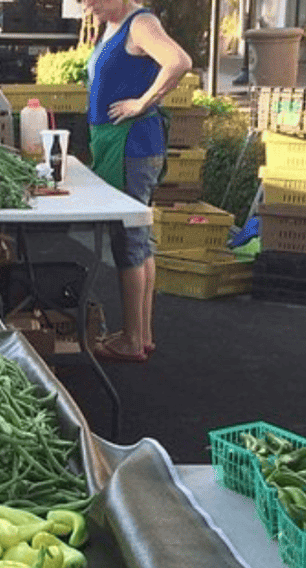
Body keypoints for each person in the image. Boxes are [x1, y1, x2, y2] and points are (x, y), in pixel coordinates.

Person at [83, 0, 191, 362]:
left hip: (130, 143)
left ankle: (131, 339)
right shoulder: (114, 24)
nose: (87, 4)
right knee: (139, 238)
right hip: (121, 142)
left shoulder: (139, 23)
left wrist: (142, 102)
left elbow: (179, 61)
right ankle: (141, 334)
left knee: (129, 237)